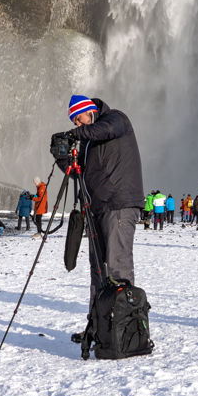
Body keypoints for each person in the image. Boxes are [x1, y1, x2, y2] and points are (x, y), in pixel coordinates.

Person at [51, 94, 143, 314]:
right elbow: (79, 174)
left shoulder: (116, 119)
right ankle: (99, 325)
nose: (76, 124)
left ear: (89, 110)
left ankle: (121, 327)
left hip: (119, 203)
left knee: (116, 265)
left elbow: (105, 130)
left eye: (78, 119)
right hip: (98, 208)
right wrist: (62, 158)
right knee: (98, 268)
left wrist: (74, 134)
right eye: (74, 122)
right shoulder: (89, 141)